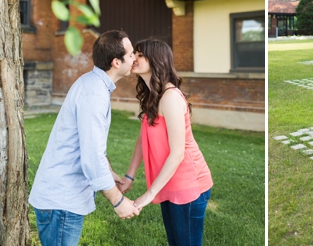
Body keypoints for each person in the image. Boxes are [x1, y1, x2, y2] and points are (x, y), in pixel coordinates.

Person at [29, 30, 141, 246]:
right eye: (131, 54)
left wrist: (110, 174)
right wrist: (119, 203)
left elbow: (91, 146)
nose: (134, 57)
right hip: (61, 203)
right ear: (116, 62)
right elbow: (91, 158)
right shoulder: (94, 94)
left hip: (61, 202)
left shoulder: (94, 85)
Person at [116, 39, 213, 246]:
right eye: (134, 54)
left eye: (139, 54)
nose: (133, 58)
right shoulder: (153, 96)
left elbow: (177, 153)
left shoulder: (170, 97)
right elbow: (144, 138)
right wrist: (129, 176)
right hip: (168, 181)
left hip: (189, 184)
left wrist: (149, 194)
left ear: (156, 59)